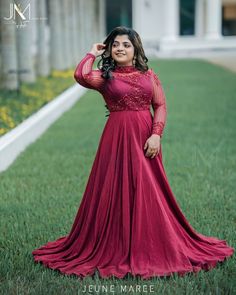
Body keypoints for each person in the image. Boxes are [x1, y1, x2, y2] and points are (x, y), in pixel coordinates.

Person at [32, 26, 234, 280]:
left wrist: (156, 134)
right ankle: (115, 242)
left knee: (148, 188)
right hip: (116, 138)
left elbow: (160, 104)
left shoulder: (149, 74)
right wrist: (91, 53)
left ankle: (151, 240)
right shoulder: (105, 76)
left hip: (146, 138)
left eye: (126, 45)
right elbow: (81, 75)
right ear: (110, 48)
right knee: (116, 187)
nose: (119, 48)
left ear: (136, 49)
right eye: (115, 44)